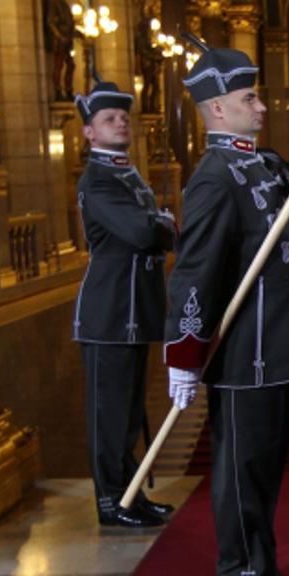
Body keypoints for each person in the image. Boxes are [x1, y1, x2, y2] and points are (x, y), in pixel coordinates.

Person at [163, 40, 289, 576]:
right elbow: (194, 272)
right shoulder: (213, 178)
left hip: (286, 349)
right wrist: (184, 355)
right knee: (242, 476)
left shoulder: (255, 162)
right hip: (249, 357)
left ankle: (266, 571)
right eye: (250, 98)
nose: (261, 108)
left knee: (266, 475)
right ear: (217, 109)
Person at [72, 76, 177, 529]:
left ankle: (130, 493)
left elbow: (152, 228)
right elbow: (140, 232)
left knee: (132, 410)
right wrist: (161, 223)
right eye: (109, 119)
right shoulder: (97, 179)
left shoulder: (126, 173)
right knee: (109, 413)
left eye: (123, 118)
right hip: (110, 310)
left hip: (136, 309)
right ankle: (110, 501)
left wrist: (157, 223)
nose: (120, 124)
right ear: (89, 132)